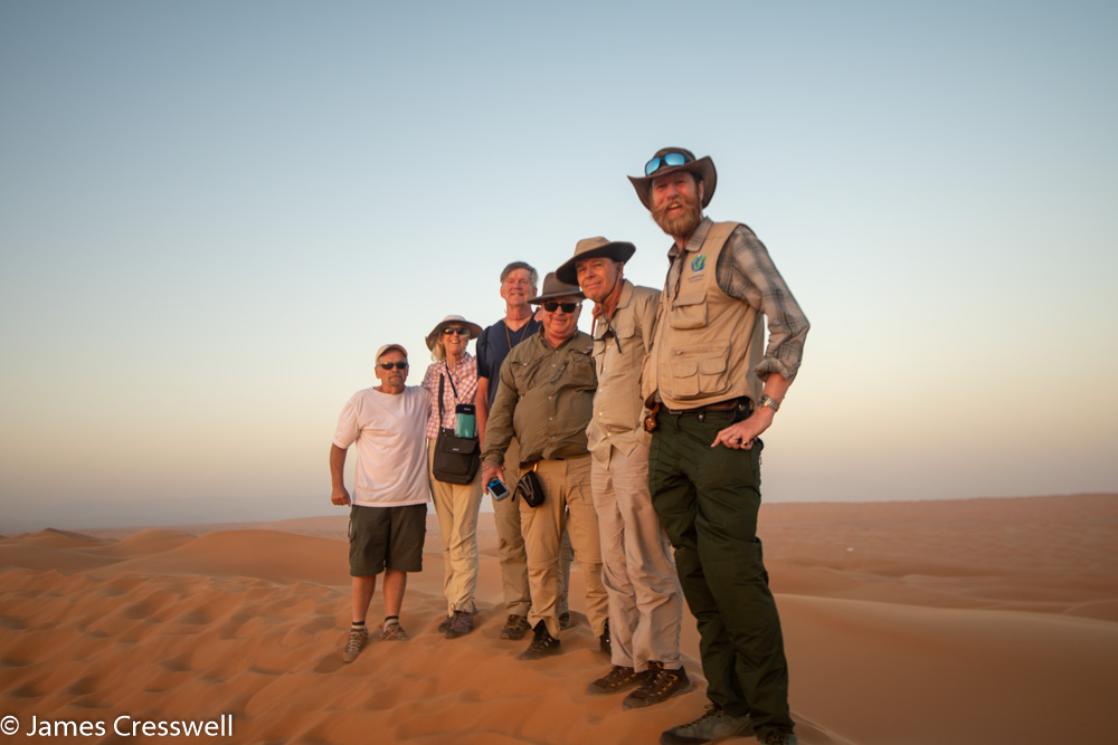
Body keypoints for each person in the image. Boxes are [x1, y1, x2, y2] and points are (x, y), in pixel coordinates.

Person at [628, 148, 810, 745]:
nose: (669, 195)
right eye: (658, 188)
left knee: (735, 580)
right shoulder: (676, 262)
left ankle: (771, 723)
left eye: (678, 183)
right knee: (701, 582)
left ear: (700, 188)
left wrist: (766, 411)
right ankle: (727, 705)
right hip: (670, 439)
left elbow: (789, 320)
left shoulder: (731, 242)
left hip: (720, 434)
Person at [556, 237, 687, 708]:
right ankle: (628, 660)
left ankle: (667, 665)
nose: (589, 275)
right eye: (582, 270)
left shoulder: (649, 303)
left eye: (597, 266)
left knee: (647, 559)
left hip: (637, 445)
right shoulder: (599, 318)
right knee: (613, 562)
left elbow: (665, 370)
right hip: (602, 449)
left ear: (618, 266)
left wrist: (654, 433)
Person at [480, 273, 608, 660]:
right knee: (540, 557)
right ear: (541, 311)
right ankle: (545, 629)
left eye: (568, 306)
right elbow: (500, 412)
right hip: (535, 472)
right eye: (551, 306)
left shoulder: (597, 350)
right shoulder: (518, 358)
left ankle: (607, 631)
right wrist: (491, 460)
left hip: (586, 465)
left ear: (579, 310)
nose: (559, 313)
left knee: (595, 556)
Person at [475, 261, 572, 640]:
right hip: (504, 445)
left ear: (534, 292)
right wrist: (489, 452)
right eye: (511, 281)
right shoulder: (488, 337)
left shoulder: (548, 322)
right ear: (501, 290)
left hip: (544, 442)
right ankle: (518, 609)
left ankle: (556, 607)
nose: (517, 286)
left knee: (552, 530)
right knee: (509, 530)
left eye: (524, 282)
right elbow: (482, 396)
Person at [329, 344, 431, 663]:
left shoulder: (420, 398)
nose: (394, 370)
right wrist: (337, 485)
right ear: (376, 370)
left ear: (408, 369)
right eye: (387, 365)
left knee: (399, 565)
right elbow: (338, 446)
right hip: (370, 501)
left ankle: (391, 623)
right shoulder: (361, 400)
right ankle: (358, 627)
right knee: (364, 568)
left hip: (411, 499)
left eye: (401, 365)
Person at [421, 315, 484, 639]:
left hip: (471, 449)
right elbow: (420, 411)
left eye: (461, 331)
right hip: (438, 448)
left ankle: (462, 607)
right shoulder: (432, 373)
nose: (456, 336)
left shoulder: (481, 367)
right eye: (449, 332)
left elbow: (489, 405)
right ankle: (454, 605)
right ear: (440, 339)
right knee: (448, 536)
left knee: (463, 533)